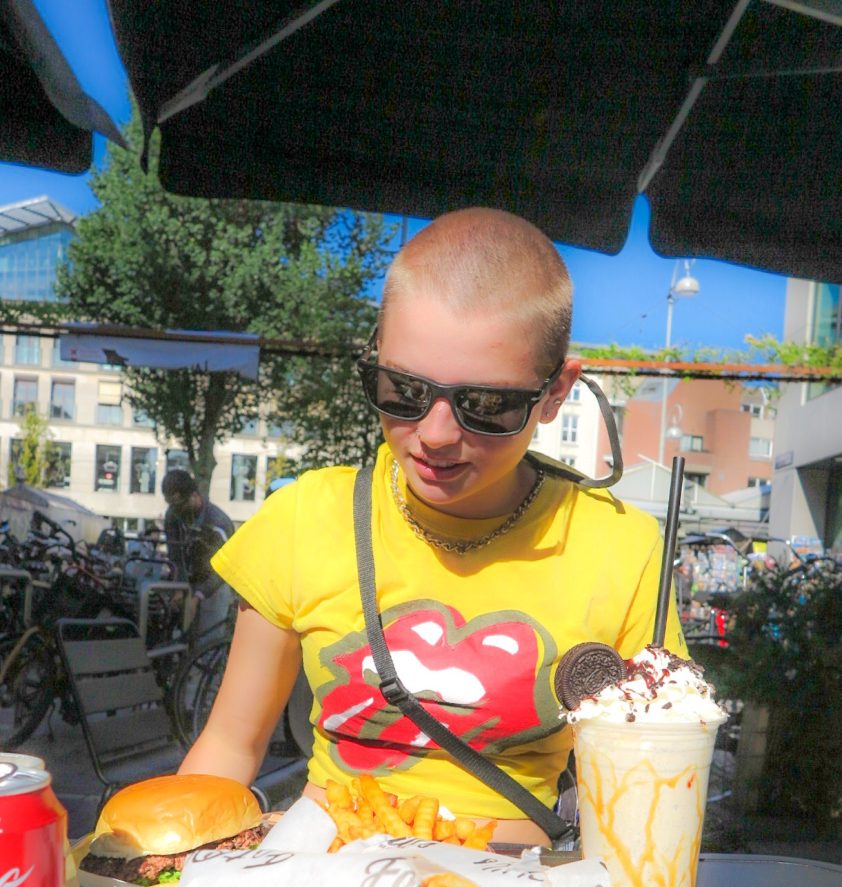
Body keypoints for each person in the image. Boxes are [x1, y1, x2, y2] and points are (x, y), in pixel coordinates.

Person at [180, 208, 686, 845]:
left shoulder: (625, 551)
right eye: (402, 389)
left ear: (556, 393)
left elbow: (649, 786)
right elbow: (229, 745)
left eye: (487, 405)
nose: (436, 434)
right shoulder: (306, 517)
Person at [161, 469, 235, 641]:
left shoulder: (218, 523)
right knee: (182, 637)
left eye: (179, 505)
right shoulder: (172, 515)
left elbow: (224, 569)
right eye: (170, 505)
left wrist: (197, 596)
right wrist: (179, 587)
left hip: (216, 582)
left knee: (208, 640)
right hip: (191, 579)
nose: (175, 511)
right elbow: (175, 555)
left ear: (194, 495)